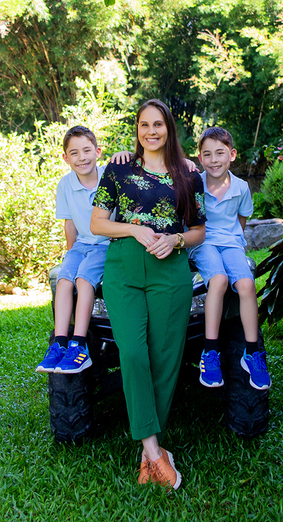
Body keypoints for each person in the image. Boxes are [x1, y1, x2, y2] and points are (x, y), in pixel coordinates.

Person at [90, 99, 205, 490]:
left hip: (168, 270)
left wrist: (174, 238)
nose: (151, 131)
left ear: (170, 129)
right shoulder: (119, 168)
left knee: (164, 357)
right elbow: (98, 223)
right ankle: (156, 452)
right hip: (123, 267)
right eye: (144, 125)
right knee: (134, 353)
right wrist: (135, 230)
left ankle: (147, 450)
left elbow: (197, 231)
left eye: (158, 125)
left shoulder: (189, 175)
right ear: (136, 129)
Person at [193, 127, 271, 391]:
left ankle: (252, 352)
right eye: (207, 154)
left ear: (232, 154)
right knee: (219, 280)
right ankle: (210, 351)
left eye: (220, 153)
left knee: (247, 286)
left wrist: (233, 242)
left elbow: (241, 221)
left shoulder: (241, 187)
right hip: (203, 242)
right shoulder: (196, 183)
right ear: (200, 158)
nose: (214, 160)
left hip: (231, 243)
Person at [35, 125, 108, 375]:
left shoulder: (109, 175)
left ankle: (80, 344)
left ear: (98, 152)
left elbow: (138, 163)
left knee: (84, 279)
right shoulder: (65, 184)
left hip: (105, 244)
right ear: (65, 158)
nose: (82, 157)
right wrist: (70, 255)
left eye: (87, 150)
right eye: (74, 153)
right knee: (65, 279)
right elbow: (69, 223)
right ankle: (59, 342)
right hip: (81, 246)